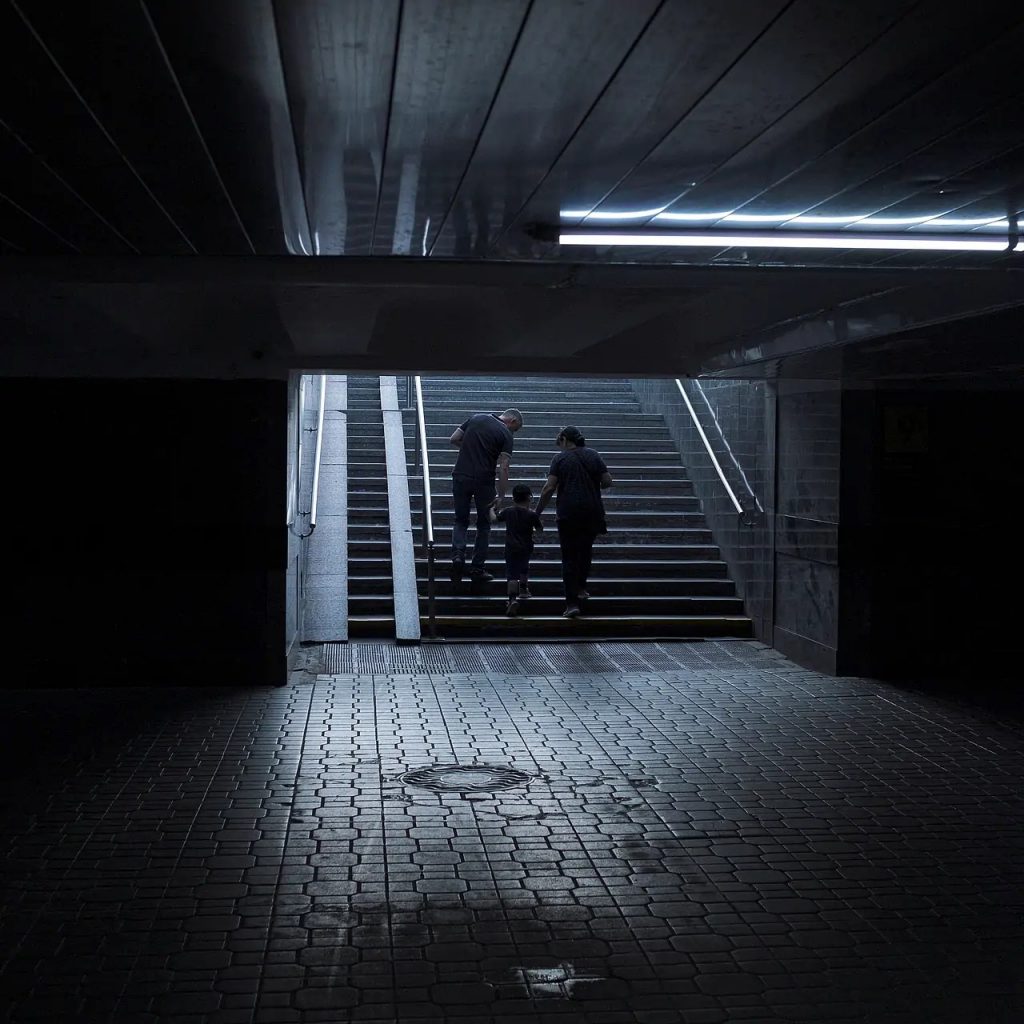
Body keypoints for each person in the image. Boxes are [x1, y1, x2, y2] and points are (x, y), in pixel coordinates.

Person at [535, 426, 613, 618]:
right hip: (592, 511)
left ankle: (571, 604)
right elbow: (607, 481)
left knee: (569, 556)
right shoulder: (593, 455)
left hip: (568, 512)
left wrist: (537, 512)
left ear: (564, 439)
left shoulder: (559, 459)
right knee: (585, 551)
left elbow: (549, 488)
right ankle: (581, 587)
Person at [448, 407, 524, 582]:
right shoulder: (506, 434)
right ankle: (477, 568)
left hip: (461, 475)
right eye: (516, 429)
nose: (514, 432)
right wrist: (501, 495)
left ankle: (458, 556)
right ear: (512, 421)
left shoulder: (476, 418)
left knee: (460, 520)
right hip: (484, 481)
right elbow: (504, 467)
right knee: (484, 525)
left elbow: (454, 438)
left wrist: (470, 448)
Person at [489, 483, 543, 617]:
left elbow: (494, 519)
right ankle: (524, 589)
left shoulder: (508, 511)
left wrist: (491, 509)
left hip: (511, 547)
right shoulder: (532, 515)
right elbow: (540, 529)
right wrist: (535, 533)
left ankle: (512, 599)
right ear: (529, 498)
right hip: (526, 547)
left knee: (512, 573)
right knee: (524, 567)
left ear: (513, 498)